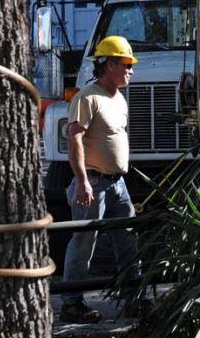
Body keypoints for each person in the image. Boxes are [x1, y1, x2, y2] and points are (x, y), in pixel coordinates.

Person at [60, 35, 141, 324]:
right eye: (126, 64)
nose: (131, 69)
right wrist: (82, 181)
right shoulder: (87, 97)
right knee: (84, 242)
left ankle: (134, 298)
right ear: (107, 65)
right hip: (92, 183)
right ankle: (72, 303)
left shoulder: (118, 99)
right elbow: (75, 140)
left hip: (118, 183)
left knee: (128, 239)